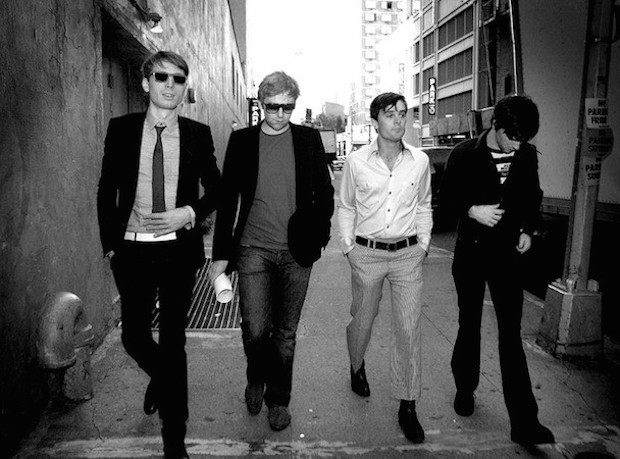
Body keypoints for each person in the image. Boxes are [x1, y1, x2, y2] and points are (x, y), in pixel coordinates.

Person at [97, 51, 221, 458]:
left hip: (177, 253)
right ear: (146, 81)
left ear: (185, 88)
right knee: (133, 337)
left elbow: (218, 189)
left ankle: (174, 438)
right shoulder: (121, 129)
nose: (171, 85)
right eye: (162, 77)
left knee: (173, 343)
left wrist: (189, 213)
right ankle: (162, 379)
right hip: (131, 251)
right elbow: (106, 189)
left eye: (179, 79)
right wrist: (111, 244)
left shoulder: (198, 134)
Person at [208, 71, 334, 431]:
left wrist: (320, 236)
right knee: (255, 329)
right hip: (253, 249)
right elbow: (227, 200)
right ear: (261, 104)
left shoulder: (308, 139)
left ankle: (279, 400)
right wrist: (220, 256)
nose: (280, 114)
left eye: (287, 107)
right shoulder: (242, 141)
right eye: (273, 106)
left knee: (286, 333)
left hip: (297, 252)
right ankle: (256, 375)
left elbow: (325, 194)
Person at [438, 95, 555, 445]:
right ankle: (465, 387)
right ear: (496, 126)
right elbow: (446, 199)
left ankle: (524, 422)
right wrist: (471, 210)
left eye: (524, 140)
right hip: (471, 253)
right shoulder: (464, 154)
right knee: (469, 324)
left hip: (507, 257)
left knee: (511, 336)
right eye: (513, 138)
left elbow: (532, 196)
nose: (518, 146)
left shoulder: (526, 154)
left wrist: (527, 230)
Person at [337, 92, 432, 443]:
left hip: (407, 255)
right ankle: (356, 363)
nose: (398, 120)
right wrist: (348, 247)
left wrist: (423, 244)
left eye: (403, 114)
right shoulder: (356, 162)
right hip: (367, 254)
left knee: (408, 328)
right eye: (390, 114)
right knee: (362, 320)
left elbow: (424, 204)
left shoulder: (419, 161)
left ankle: (408, 405)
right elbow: (346, 206)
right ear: (374, 120)